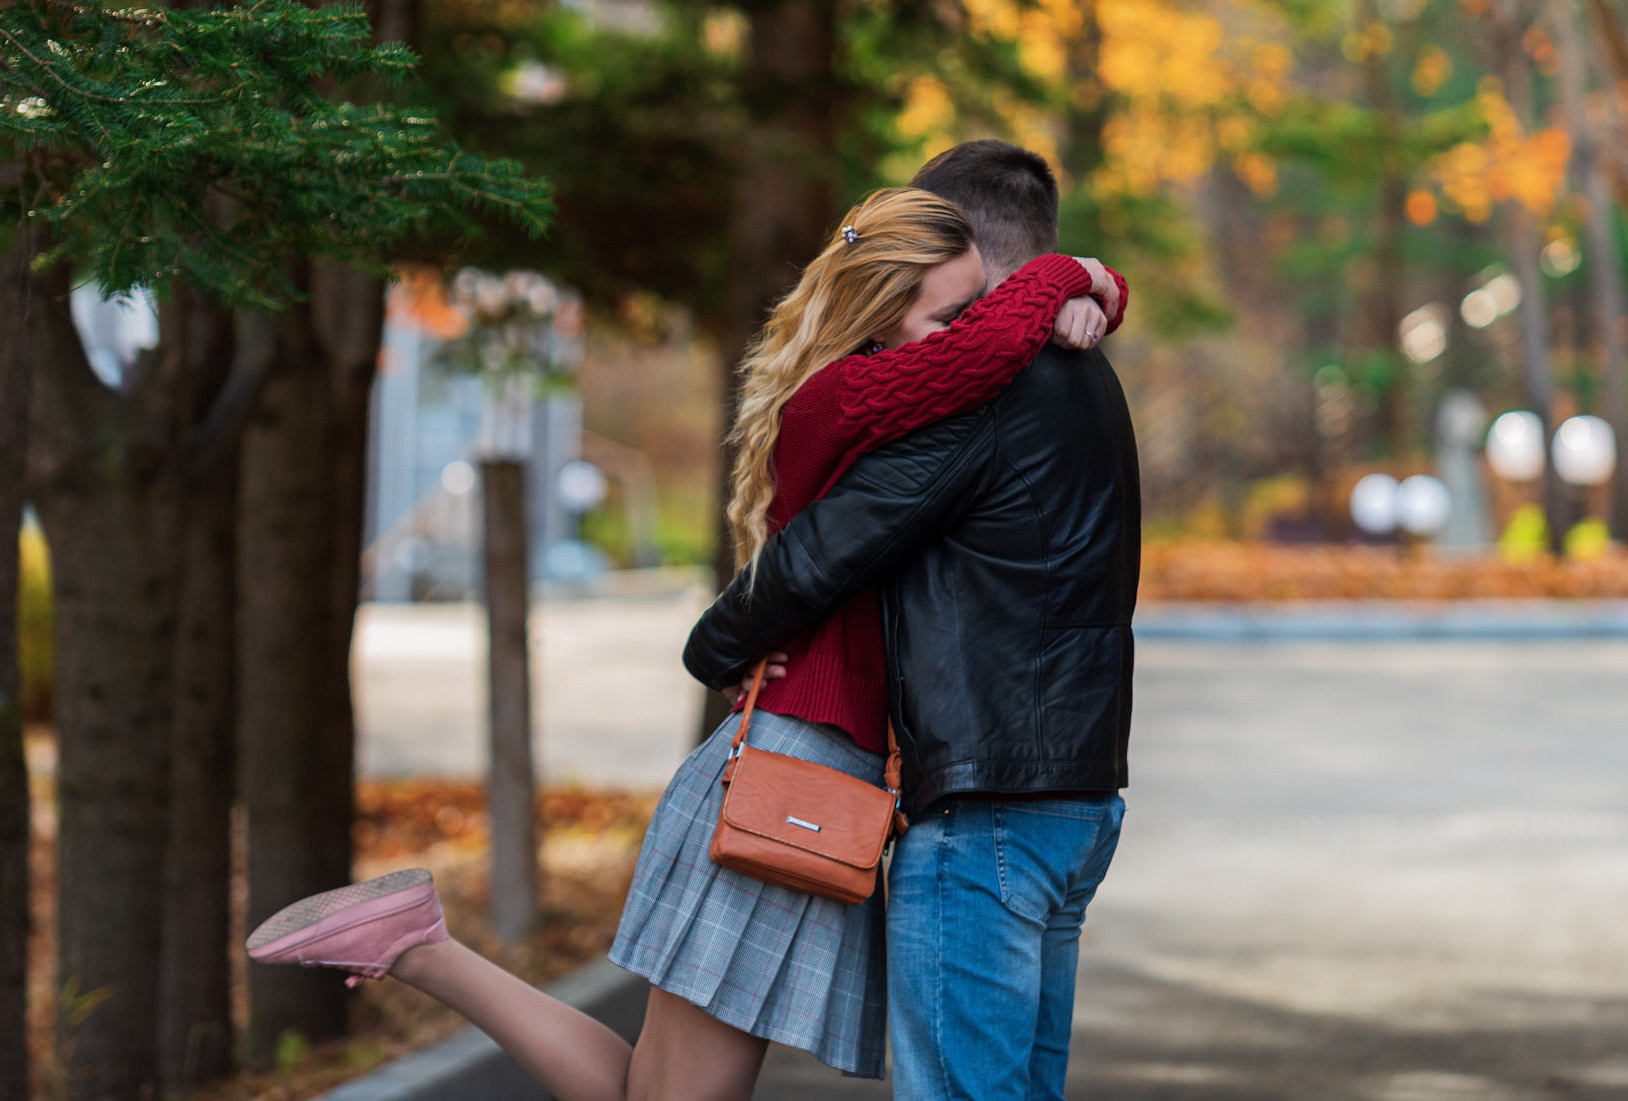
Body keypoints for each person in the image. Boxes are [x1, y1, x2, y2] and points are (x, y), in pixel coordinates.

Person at [244, 181, 1127, 1101]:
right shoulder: (850, 392)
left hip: (806, 765)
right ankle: (423, 947)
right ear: (879, 309)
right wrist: (1075, 273)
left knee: (654, 1093)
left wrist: (1087, 293)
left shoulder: (881, 396)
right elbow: (984, 355)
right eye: (952, 310)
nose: (972, 327)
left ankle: (420, 945)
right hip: (801, 767)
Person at [683, 139, 1143, 1101]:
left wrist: (718, 645)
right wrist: (1089, 280)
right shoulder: (1092, 376)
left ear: (958, 251)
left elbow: (825, 549)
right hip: (1080, 796)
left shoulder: (989, 390)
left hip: (990, 808)